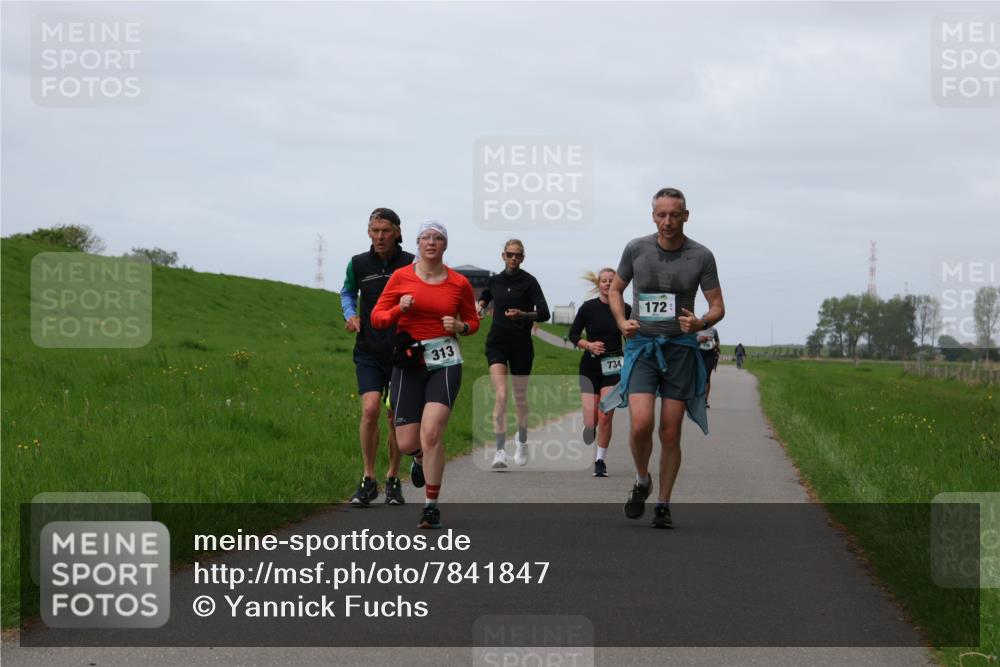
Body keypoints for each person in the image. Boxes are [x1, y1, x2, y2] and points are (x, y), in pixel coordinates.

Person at [601, 187, 725, 529]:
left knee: (671, 432)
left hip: (681, 350)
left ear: (686, 216)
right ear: (652, 216)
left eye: (674, 215)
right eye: (661, 215)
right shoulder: (636, 249)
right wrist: (621, 321)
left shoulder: (701, 256)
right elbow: (615, 289)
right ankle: (642, 480)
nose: (667, 221)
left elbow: (718, 307)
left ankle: (663, 504)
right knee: (641, 423)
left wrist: (701, 322)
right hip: (642, 347)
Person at [371, 221, 480, 529]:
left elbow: (473, 322)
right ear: (417, 244)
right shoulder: (400, 277)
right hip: (409, 361)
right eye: (426, 238)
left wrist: (460, 327)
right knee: (407, 442)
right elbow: (377, 318)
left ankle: (431, 506)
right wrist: (398, 311)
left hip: (446, 362)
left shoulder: (459, 283)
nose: (431, 242)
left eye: (438, 238)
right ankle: (419, 457)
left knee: (432, 433)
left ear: (445, 245)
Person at [340, 208, 415, 507]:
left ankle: (393, 478)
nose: (380, 236)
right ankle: (368, 479)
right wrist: (350, 314)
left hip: (401, 351)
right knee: (370, 409)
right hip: (368, 348)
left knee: (394, 416)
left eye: (385, 230)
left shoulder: (412, 263)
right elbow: (347, 292)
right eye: (374, 230)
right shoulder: (358, 263)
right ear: (369, 232)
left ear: (397, 231)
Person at [477, 239, 550, 470]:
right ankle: (499, 451)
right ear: (503, 255)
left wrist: (524, 315)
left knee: (519, 397)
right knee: (501, 394)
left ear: (523, 258)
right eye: (510, 254)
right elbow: (487, 294)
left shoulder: (529, 282)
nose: (513, 259)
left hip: (521, 345)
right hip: (497, 343)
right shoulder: (495, 280)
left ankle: (522, 441)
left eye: (518, 255)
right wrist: (480, 305)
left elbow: (544, 313)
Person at [568, 268, 631, 477]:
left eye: (611, 281)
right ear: (598, 284)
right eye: (603, 281)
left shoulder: (626, 309)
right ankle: (589, 427)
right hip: (590, 365)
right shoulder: (589, 308)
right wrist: (589, 345)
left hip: (614, 367)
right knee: (590, 419)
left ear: (617, 284)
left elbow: (633, 336)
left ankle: (600, 460)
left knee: (605, 415)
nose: (607, 284)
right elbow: (573, 334)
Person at [697, 326, 721, 408]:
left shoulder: (714, 330)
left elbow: (717, 341)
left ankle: (704, 400)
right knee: (697, 376)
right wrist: (700, 340)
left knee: (707, 376)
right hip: (699, 352)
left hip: (710, 354)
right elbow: (692, 340)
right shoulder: (697, 328)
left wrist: (715, 346)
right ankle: (695, 399)